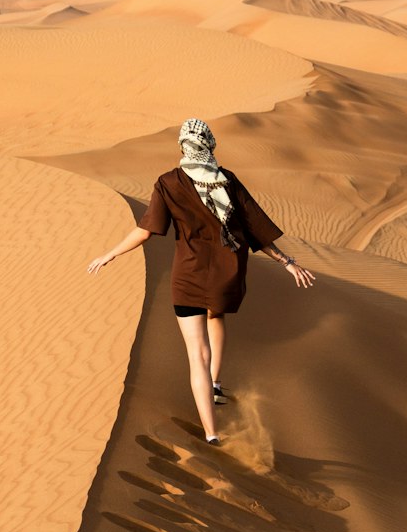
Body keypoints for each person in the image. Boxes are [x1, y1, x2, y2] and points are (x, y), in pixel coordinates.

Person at [87, 117, 314, 444]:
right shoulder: (227, 180)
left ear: (182, 146)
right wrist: (288, 262)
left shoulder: (169, 183)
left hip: (188, 276)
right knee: (216, 315)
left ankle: (211, 433)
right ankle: (217, 383)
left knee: (197, 356)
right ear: (210, 145)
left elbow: (147, 230)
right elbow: (256, 230)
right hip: (227, 274)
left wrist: (110, 253)